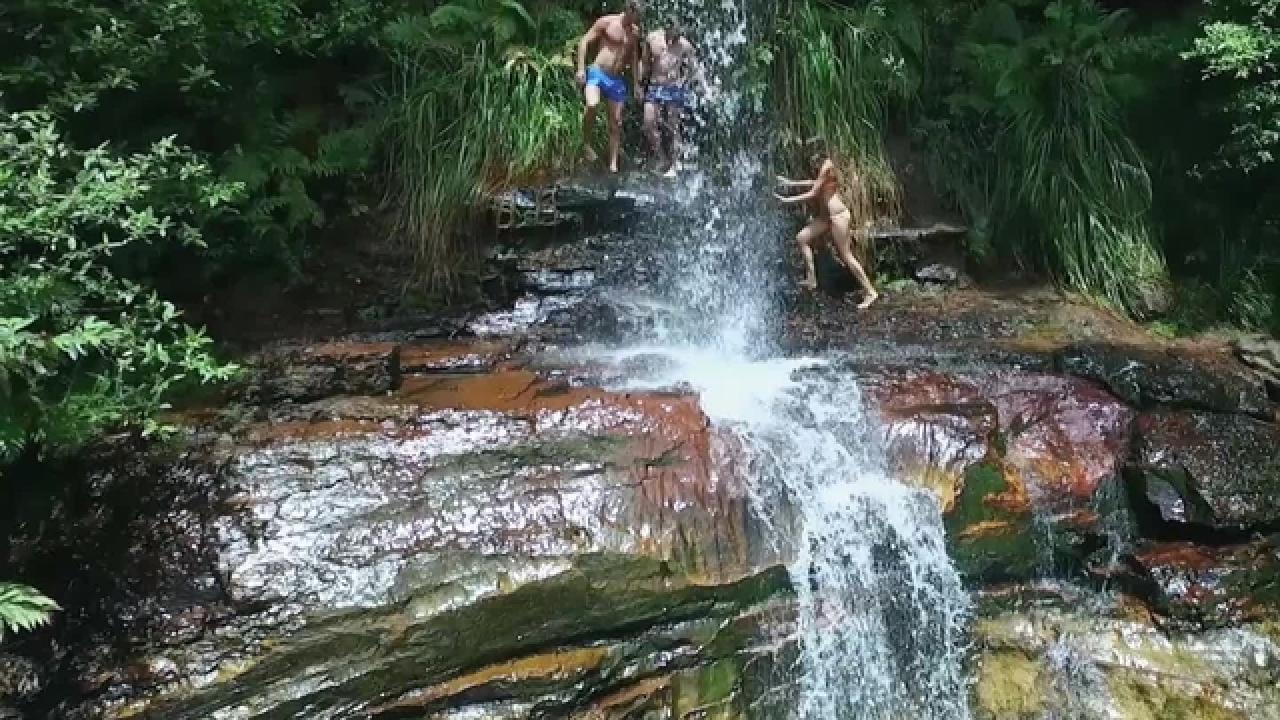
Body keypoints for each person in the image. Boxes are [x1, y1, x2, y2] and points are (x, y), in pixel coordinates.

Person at [775, 150, 879, 308]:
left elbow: (814, 192)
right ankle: (811, 278)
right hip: (826, 217)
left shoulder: (827, 166)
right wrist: (791, 183)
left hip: (838, 216)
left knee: (846, 255)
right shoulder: (827, 165)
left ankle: (871, 292)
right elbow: (815, 182)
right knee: (802, 238)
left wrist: (787, 200)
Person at [576, 1, 645, 174]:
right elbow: (584, 41)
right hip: (598, 72)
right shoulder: (606, 22)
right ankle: (585, 142)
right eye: (636, 15)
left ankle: (613, 165)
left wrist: (637, 84)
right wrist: (580, 68)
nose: (637, 20)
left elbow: (635, 59)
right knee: (592, 104)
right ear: (628, 10)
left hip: (616, 80)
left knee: (616, 123)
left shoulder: (634, 32)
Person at [639, 19, 709, 177]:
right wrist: (638, 84)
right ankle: (662, 158)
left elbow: (695, 68)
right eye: (674, 33)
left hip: (673, 89)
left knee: (673, 126)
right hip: (655, 86)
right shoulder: (653, 38)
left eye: (679, 33)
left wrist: (692, 84)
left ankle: (675, 163)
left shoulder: (684, 45)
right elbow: (644, 62)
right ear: (667, 30)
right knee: (648, 123)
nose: (677, 37)